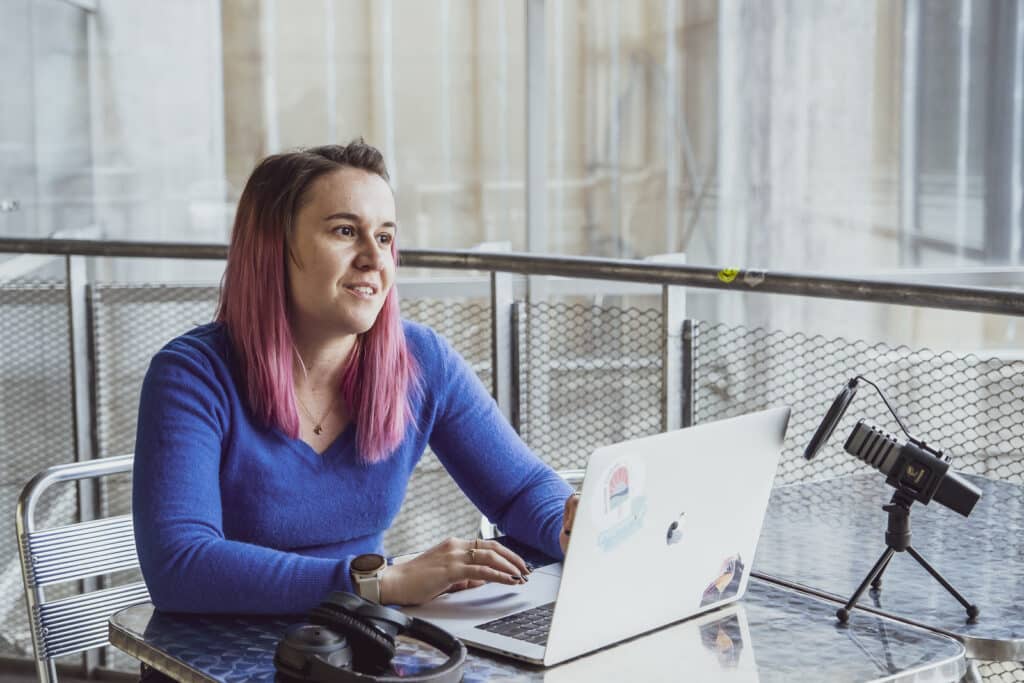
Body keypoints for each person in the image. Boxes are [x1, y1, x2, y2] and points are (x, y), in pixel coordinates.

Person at [133, 140, 578, 615]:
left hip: (357, 644)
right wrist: (375, 582)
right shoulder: (192, 376)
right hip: (221, 656)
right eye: (346, 231)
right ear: (272, 249)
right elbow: (180, 565)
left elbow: (520, 490)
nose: (374, 258)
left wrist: (568, 528)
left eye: (385, 237)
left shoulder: (422, 360)